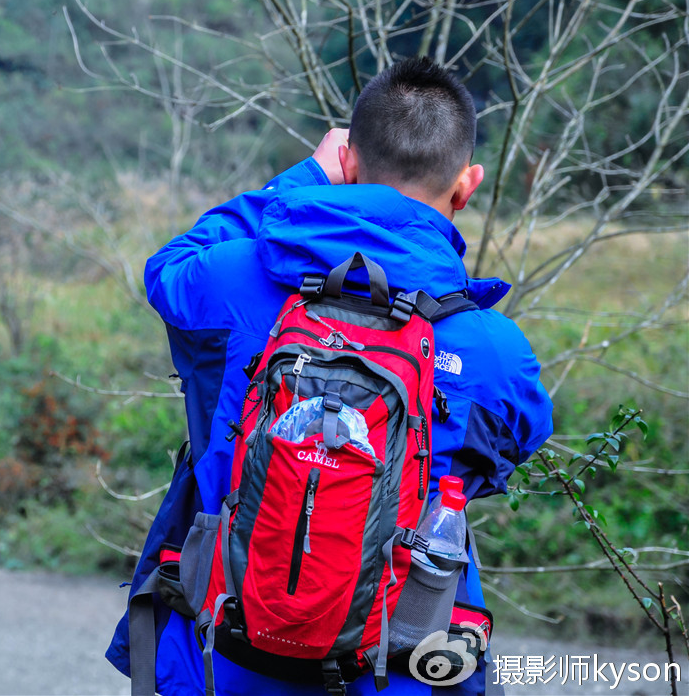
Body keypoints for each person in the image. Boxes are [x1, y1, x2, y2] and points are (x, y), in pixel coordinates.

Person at [106, 57, 554, 696]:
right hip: (399, 667)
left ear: (348, 163)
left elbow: (169, 267)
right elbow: (509, 452)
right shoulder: (496, 352)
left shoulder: (230, 281)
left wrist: (304, 181)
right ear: (467, 183)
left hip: (221, 659)